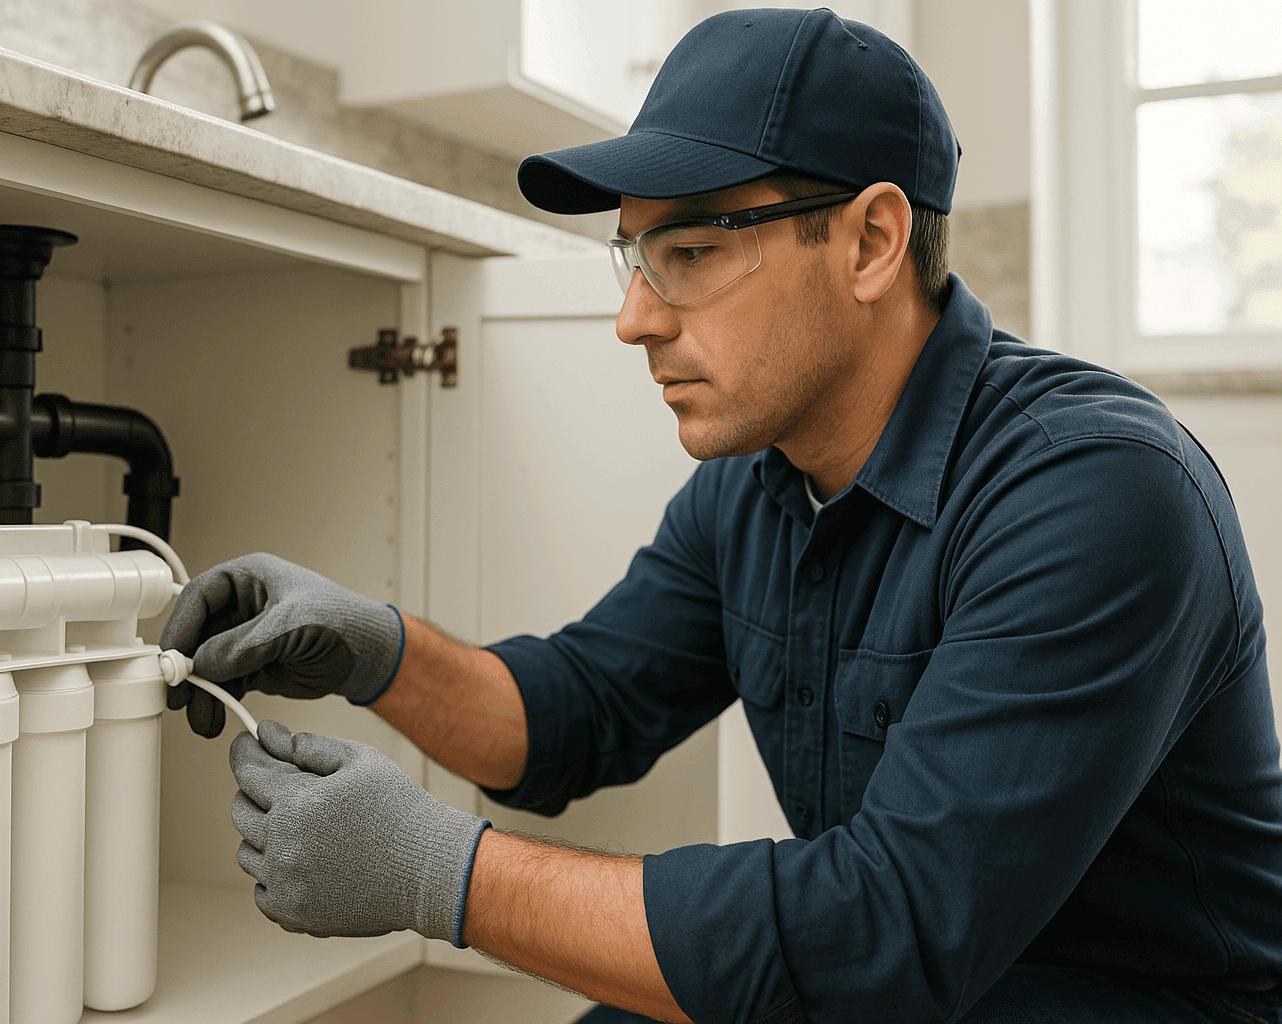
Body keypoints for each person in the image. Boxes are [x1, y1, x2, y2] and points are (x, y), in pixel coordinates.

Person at [160, 9, 1282, 1023]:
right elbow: (573, 711)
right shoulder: (758, 484)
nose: (636, 319)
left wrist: (440, 874)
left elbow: (887, 935)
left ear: (873, 242)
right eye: (635, 256)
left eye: (691, 252)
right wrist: (375, 648)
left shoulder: (1094, 490)